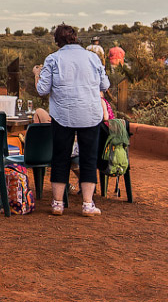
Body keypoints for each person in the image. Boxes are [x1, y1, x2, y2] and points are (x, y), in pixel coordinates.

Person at [37, 24, 110, 217]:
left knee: (60, 157)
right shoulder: (92, 57)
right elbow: (105, 84)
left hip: (63, 115)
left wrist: (38, 75)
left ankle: (58, 204)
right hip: (90, 114)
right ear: (76, 38)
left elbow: (42, 90)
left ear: (57, 41)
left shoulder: (53, 59)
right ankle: (87, 204)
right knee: (88, 158)